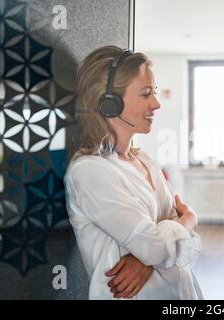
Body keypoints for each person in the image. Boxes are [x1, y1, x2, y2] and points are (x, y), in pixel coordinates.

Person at [64, 45, 203, 299]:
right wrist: (190, 219)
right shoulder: (89, 171)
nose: (156, 104)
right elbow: (158, 246)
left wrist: (147, 259)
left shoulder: (145, 160)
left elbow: (160, 245)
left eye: (155, 93)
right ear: (109, 103)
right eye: (146, 94)